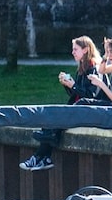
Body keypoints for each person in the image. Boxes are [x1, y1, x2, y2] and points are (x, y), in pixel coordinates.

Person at [20, 36, 103, 171]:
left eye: (76, 49)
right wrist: (68, 85)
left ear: (86, 50)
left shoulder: (94, 68)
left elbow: (91, 95)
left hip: (87, 111)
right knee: (53, 120)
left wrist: (74, 85)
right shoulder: (82, 68)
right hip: (78, 108)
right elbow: (76, 94)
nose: (73, 52)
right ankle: (44, 157)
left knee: (55, 121)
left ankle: (39, 156)